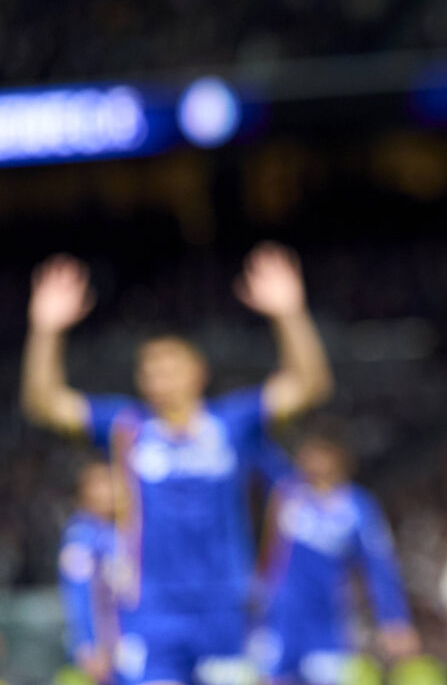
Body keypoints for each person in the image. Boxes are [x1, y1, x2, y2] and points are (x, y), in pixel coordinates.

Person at [21, 243, 334, 685]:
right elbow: (44, 404)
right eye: (149, 371)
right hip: (153, 609)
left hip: (226, 605)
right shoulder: (127, 428)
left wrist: (291, 313)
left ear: (198, 371)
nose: (158, 378)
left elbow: (309, 385)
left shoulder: (231, 423)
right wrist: (45, 330)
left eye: (169, 367)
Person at [250, 428, 421, 684]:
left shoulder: (357, 507)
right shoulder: (286, 490)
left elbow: (379, 565)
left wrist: (393, 618)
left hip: (327, 622)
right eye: (309, 453)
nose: (314, 462)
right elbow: (256, 446)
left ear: (340, 458)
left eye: (322, 453)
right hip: (279, 617)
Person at [58, 459, 119, 685]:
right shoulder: (81, 535)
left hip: (126, 644)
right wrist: (87, 645)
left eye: (113, 481)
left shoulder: (118, 530)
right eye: (102, 483)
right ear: (85, 492)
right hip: (100, 651)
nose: (111, 490)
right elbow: (77, 595)